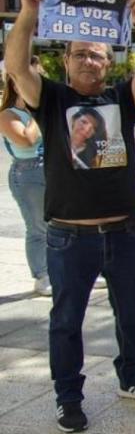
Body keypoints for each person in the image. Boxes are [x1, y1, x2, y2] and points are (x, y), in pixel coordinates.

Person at [6, 0, 135, 433]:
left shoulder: (120, 97)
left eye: (96, 54)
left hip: (124, 233)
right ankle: (68, 397)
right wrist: (29, 12)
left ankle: (131, 377)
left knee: (132, 313)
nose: (88, 61)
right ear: (65, 60)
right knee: (66, 320)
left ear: (107, 62)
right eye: (79, 54)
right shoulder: (52, 98)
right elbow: (17, 66)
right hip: (68, 237)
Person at [0, 57, 49, 295]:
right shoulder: (9, 115)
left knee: (61, 226)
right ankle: (42, 275)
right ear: (15, 83)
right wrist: (35, 110)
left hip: (53, 167)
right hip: (28, 172)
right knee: (38, 226)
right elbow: (26, 139)